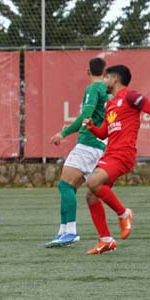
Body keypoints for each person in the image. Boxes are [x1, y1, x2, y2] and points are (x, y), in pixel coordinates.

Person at [82, 64, 150, 254]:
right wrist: (92, 127)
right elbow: (104, 133)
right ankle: (106, 240)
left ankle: (124, 213)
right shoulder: (110, 104)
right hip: (110, 154)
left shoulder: (131, 96)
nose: (104, 81)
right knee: (91, 195)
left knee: (92, 182)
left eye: (106, 78)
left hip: (123, 154)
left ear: (114, 79)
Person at [46, 56, 109, 248]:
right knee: (70, 187)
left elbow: (85, 116)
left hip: (88, 144)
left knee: (64, 185)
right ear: (105, 73)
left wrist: (63, 133)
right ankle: (63, 230)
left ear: (88, 72)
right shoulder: (107, 91)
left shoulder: (93, 89)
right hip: (99, 145)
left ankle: (71, 232)